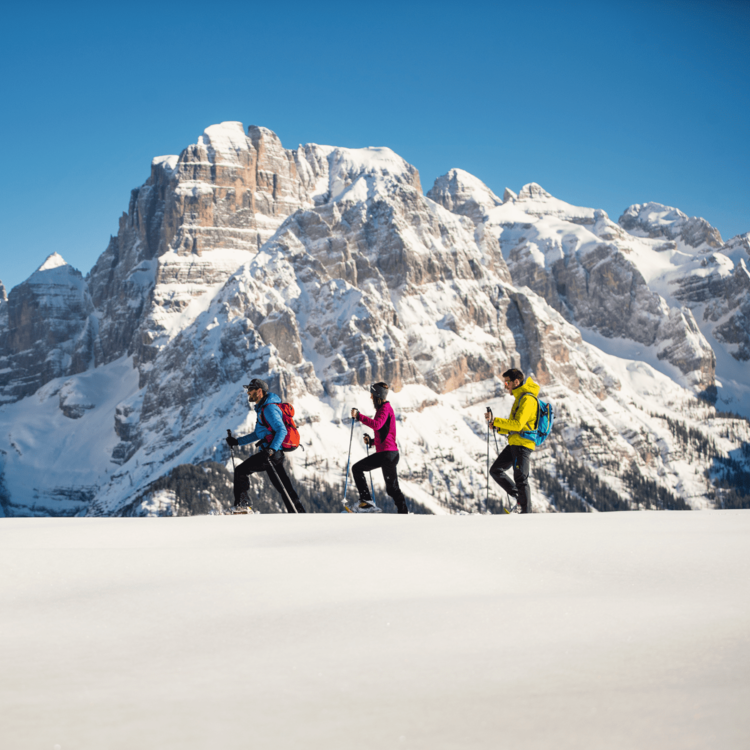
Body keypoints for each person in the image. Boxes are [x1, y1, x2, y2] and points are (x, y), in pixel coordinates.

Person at [226, 378, 306, 513]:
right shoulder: (263, 408)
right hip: (273, 453)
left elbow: (282, 430)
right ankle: (299, 513)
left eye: (250, 391)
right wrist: (237, 442)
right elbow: (258, 434)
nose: (248, 393)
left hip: (271, 454)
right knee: (284, 487)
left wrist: (271, 449)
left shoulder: (269, 409)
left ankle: (242, 505)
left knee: (241, 471)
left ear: (259, 391)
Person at [486, 369, 540, 514]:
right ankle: (519, 498)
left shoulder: (527, 400)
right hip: (515, 442)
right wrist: (497, 426)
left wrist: (497, 420)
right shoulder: (519, 399)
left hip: (523, 444)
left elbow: (517, 425)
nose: (505, 385)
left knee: (521, 479)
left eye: (507, 382)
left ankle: (525, 513)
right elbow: (513, 426)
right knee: (496, 470)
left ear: (516, 382)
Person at [349, 382, 409, 514]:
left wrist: (359, 416)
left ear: (377, 395)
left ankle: (403, 513)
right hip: (386, 453)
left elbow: (377, 425)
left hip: (388, 455)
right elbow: (385, 434)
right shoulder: (383, 409)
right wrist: (371, 442)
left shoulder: (385, 409)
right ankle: (366, 501)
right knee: (357, 469)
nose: (370, 397)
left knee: (392, 489)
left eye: (372, 394)